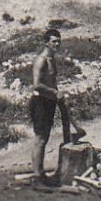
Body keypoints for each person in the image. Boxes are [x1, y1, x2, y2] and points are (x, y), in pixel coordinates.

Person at [29, 26, 86, 184]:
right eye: (54, 42)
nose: (57, 45)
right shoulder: (41, 60)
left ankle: (40, 173)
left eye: (59, 42)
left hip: (49, 102)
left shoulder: (52, 59)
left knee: (45, 137)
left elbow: (51, 82)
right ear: (46, 43)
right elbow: (36, 85)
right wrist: (54, 93)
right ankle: (37, 175)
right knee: (40, 138)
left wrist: (57, 95)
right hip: (39, 102)